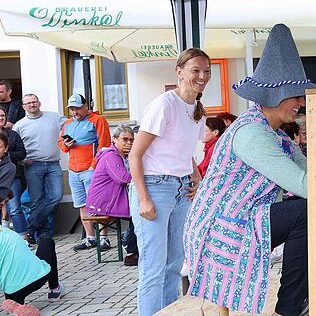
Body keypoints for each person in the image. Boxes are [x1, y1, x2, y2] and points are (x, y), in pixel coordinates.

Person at [184, 24, 316, 316]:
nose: (302, 103)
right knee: (308, 209)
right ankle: (290, 308)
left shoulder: (277, 135)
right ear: (275, 96)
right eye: (296, 96)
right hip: (219, 231)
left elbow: (313, 176)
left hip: (242, 221)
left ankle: (298, 299)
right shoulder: (252, 133)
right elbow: (304, 185)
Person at [128, 48, 209, 316]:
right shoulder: (164, 105)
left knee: (174, 264)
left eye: (206, 71)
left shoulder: (197, 109)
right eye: (196, 70)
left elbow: (184, 152)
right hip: (154, 186)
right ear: (180, 71)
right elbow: (135, 155)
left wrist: (195, 174)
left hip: (181, 188)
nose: (202, 76)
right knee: (154, 266)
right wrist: (143, 198)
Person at [0, 132, 66, 316]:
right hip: (33, 280)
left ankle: (13, 303)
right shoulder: (8, 235)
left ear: (6, 148)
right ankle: (54, 288)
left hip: (10, 290)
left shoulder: (8, 167)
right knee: (46, 241)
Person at [58, 93, 111, 251]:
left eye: (78, 108)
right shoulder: (68, 123)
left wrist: (94, 165)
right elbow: (61, 145)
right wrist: (67, 144)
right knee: (82, 204)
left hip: (90, 169)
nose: (75, 112)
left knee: (97, 203)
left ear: (86, 106)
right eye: (72, 109)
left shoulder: (97, 120)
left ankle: (104, 238)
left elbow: (104, 145)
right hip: (74, 170)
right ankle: (90, 237)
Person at [13, 94, 65, 243]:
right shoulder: (19, 125)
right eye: (28, 103)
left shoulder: (54, 117)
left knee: (56, 196)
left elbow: (71, 125)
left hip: (53, 163)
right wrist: (23, 161)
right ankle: (44, 234)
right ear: (23, 107)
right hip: (33, 166)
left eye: (34, 102)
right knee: (37, 201)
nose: (32, 105)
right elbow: (15, 146)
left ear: (39, 103)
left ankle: (31, 227)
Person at [85, 125, 138, 266]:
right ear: (114, 139)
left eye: (132, 140)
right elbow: (123, 178)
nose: (129, 143)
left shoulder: (119, 155)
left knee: (140, 211)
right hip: (103, 203)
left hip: (111, 199)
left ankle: (129, 242)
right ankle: (131, 252)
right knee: (138, 214)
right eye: (125, 139)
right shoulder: (111, 156)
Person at [0, 107, 27, 238]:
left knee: (15, 207)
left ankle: (23, 237)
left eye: (2, 115)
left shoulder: (12, 134)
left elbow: (22, 153)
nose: (1, 118)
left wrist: (7, 155)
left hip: (11, 175)